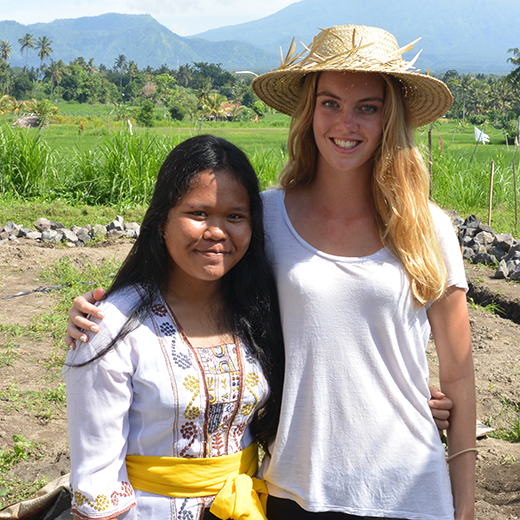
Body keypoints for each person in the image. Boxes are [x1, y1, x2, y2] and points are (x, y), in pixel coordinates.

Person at [65, 25, 473, 520]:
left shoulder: (426, 227)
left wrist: (465, 502)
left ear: (391, 117)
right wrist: (104, 314)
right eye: (330, 103)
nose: (347, 122)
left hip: (410, 487)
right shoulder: (266, 219)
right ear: (308, 112)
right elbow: (190, 275)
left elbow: (458, 373)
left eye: (368, 106)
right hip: (296, 488)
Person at [63, 134, 284, 520]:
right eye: (198, 214)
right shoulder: (110, 328)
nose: (217, 232)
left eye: (235, 216)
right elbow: (96, 476)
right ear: (162, 220)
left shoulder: (259, 313)